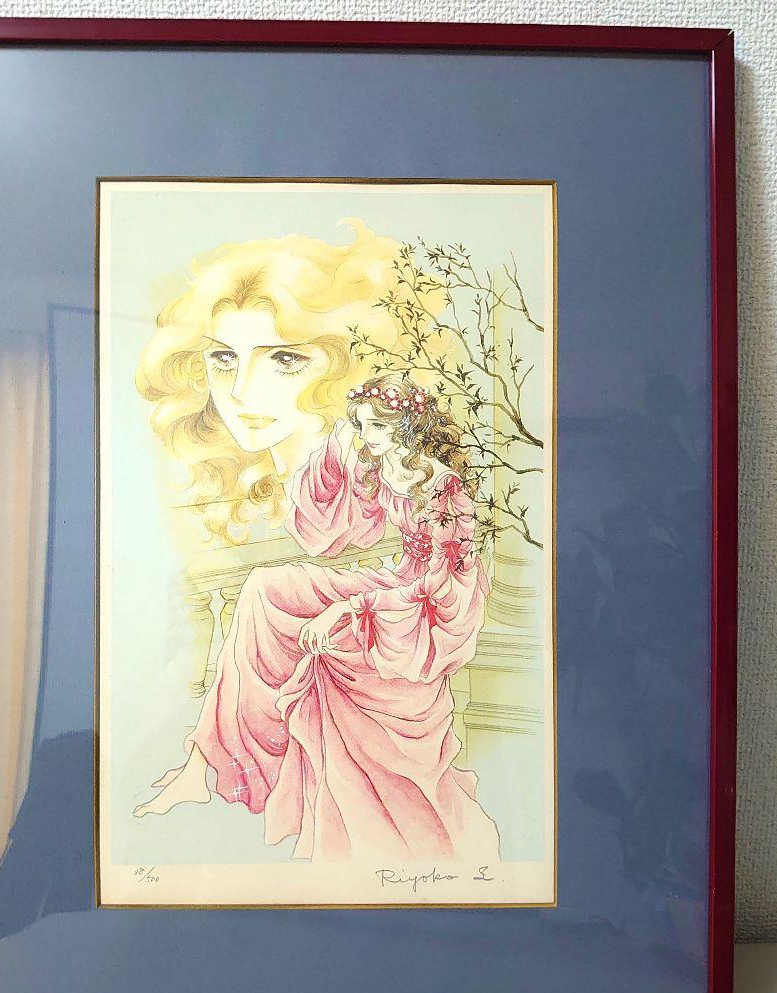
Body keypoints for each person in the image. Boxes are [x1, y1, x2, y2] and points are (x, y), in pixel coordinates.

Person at [133, 372, 501, 865]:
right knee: (264, 589)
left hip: (417, 612)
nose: (367, 436)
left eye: (378, 426)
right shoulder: (381, 465)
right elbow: (326, 528)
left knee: (325, 641)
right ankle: (210, 765)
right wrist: (337, 444)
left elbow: (446, 586)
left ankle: (265, 778)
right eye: (362, 425)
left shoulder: (443, 486)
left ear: (407, 426)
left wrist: (348, 609)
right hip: (392, 585)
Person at [135, 218, 446, 547]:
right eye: (224, 358)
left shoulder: (388, 485)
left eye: (285, 359)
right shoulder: (250, 490)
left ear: (347, 367)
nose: (241, 391)